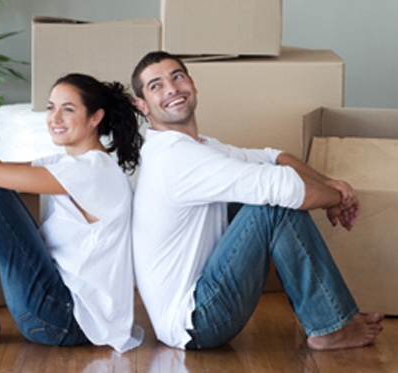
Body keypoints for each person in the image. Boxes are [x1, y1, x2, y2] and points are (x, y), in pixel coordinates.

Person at [130, 51, 383, 350]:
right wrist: (337, 198)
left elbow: (270, 157)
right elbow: (284, 187)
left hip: (197, 304)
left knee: (269, 186)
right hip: (197, 321)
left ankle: (330, 319)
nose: (171, 89)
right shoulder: (176, 158)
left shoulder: (196, 146)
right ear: (143, 105)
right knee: (273, 206)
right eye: (156, 86)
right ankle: (331, 326)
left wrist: (328, 184)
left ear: (193, 84)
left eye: (177, 77)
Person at [0, 73, 144, 353]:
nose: (54, 118)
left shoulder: (93, 171)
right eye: (50, 108)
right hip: (58, 313)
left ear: (95, 118)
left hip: (64, 320)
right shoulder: (66, 162)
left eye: (67, 109)